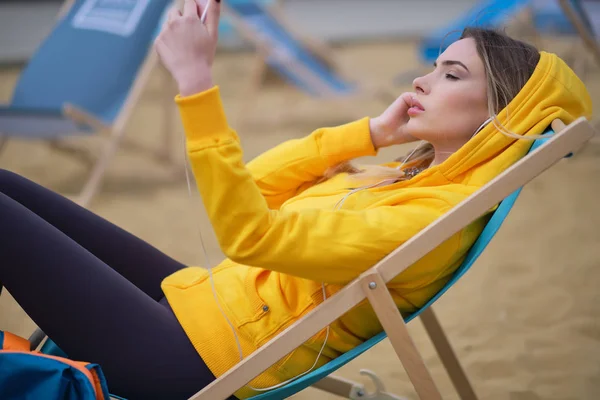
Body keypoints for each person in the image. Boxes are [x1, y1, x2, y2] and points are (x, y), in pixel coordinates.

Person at [0, 0, 592, 399]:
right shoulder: (401, 181)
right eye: (432, 67)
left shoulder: (427, 217)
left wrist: (197, 85)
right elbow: (253, 190)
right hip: (195, 305)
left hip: (186, 357)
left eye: (451, 76)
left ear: (501, 115)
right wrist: (368, 135)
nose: (421, 81)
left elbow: (250, 237)